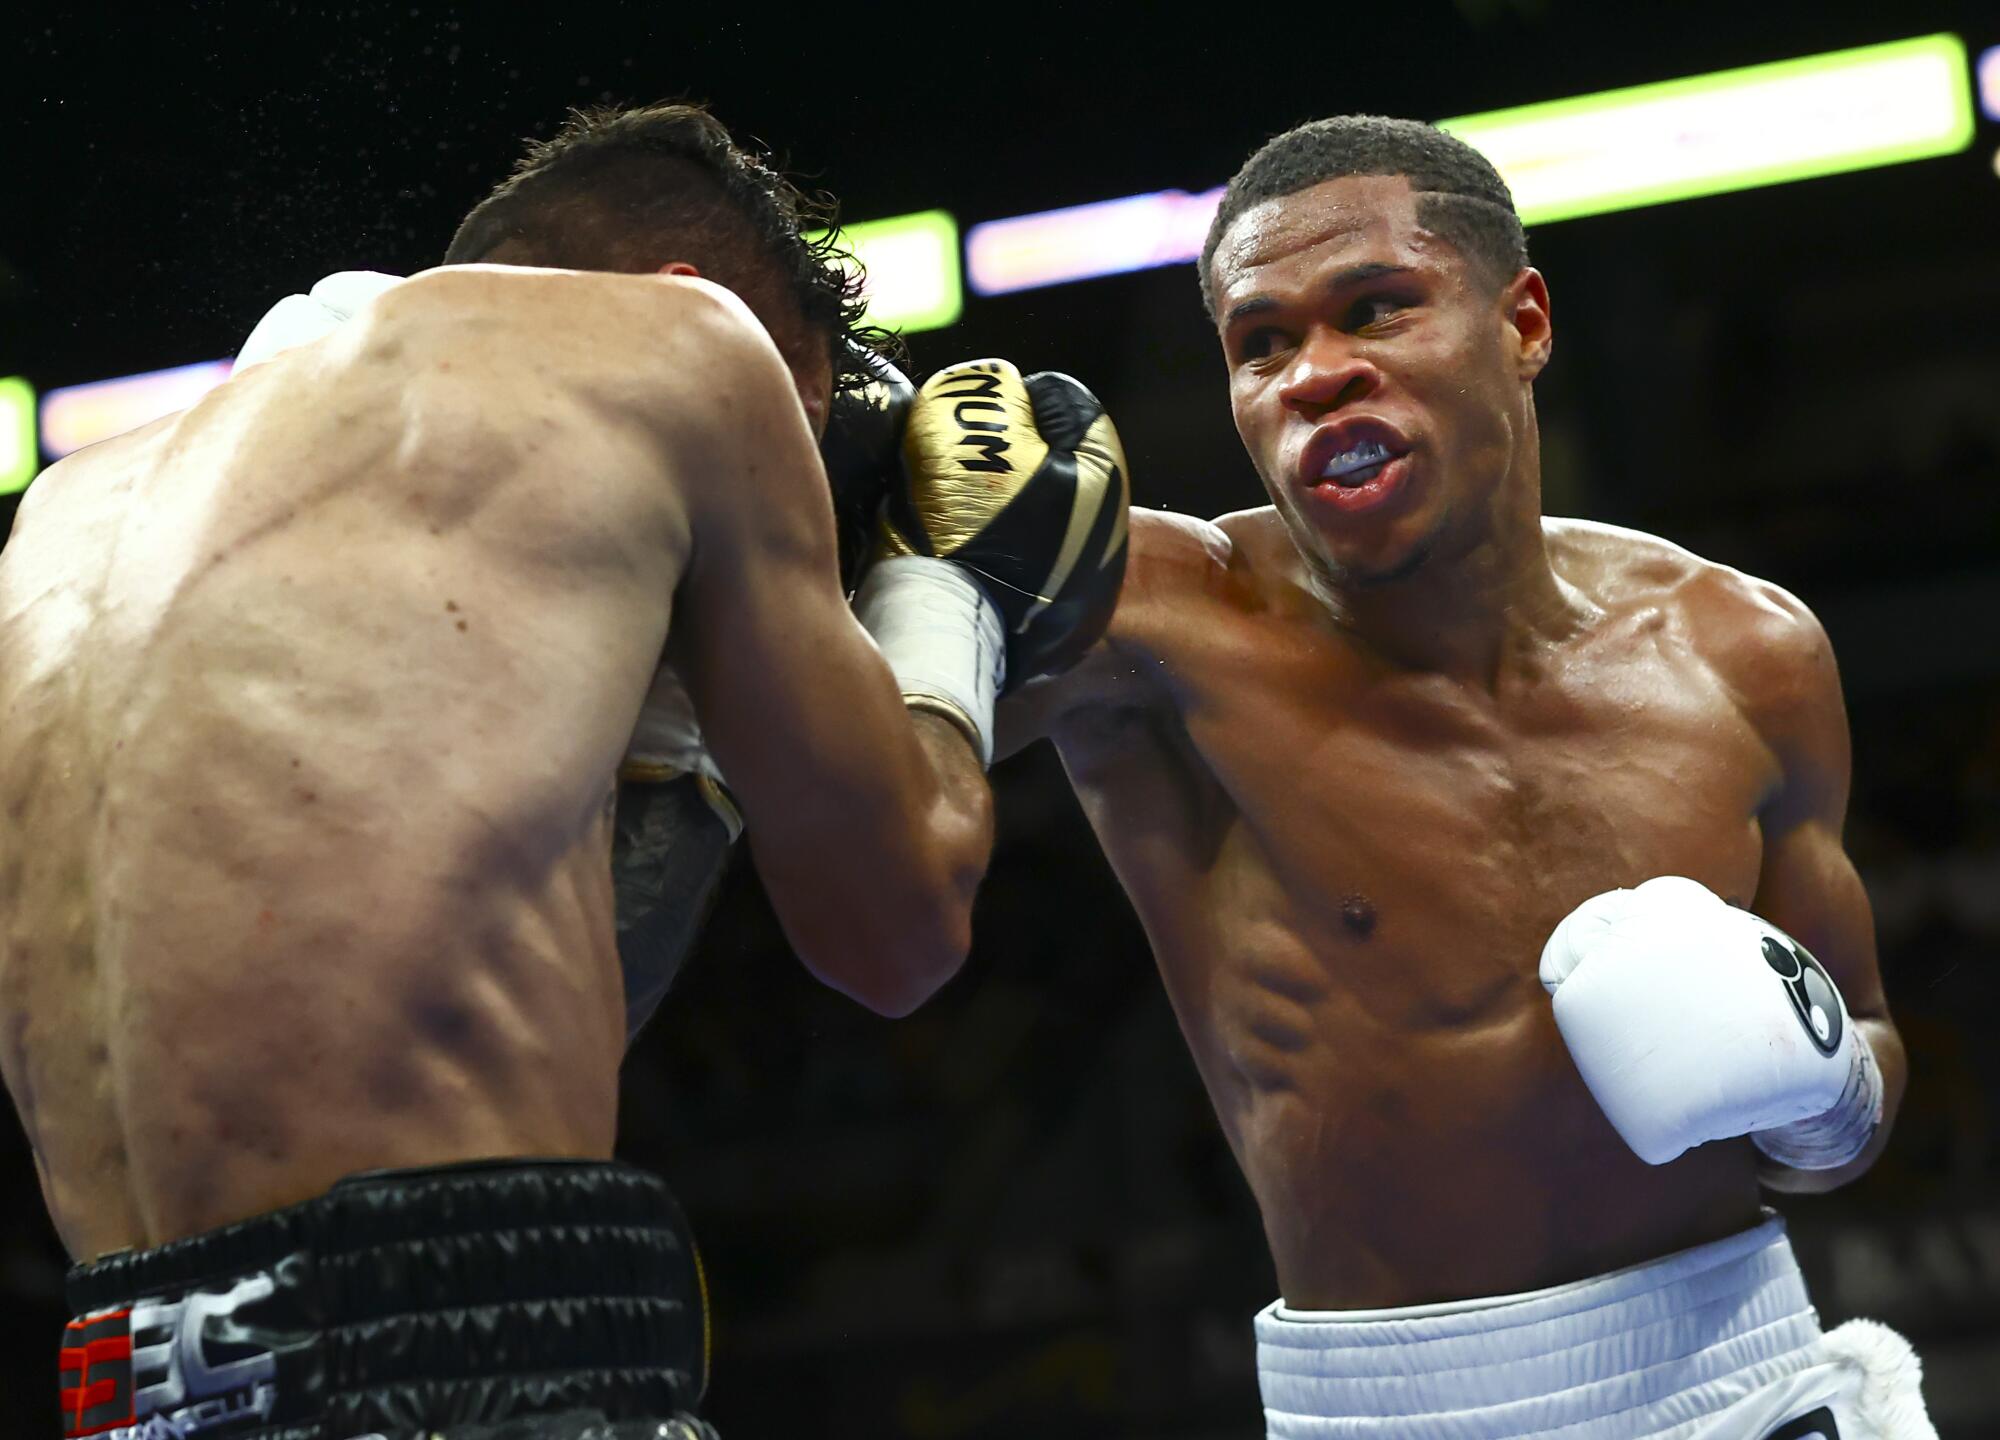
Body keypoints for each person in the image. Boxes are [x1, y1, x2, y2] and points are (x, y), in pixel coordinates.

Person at [0, 102, 1125, 1440]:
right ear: (685, 301)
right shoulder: (689, 353)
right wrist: (951, 596)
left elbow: (416, 1016)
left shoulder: (64, 515)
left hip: (127, 1381)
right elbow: (897, 929)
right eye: (801, 430)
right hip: (483, 1344)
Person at [999, 115, 1932, 1438]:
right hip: (1402, 1408)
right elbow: (825, 737)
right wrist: (919, 558)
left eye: (1376, 309)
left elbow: (1868, 1047)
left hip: (1752, 1373)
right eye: (1261, 342)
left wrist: (1823, 1086)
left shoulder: (1747, 652)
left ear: (1526, 324)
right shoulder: (1156, 624)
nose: (1315, 375)